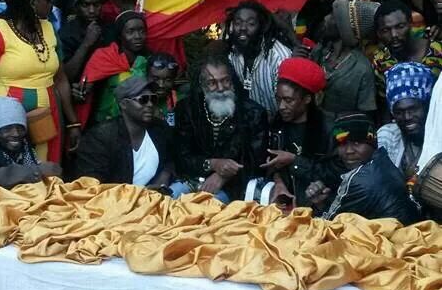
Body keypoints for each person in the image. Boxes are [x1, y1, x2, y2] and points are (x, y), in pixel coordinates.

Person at [0, 0, 79, 162]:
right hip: (8, 120)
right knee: (14, 176)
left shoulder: (48, 28)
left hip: (49, 116)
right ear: (31, 3)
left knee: (48, 171)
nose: (52, 2)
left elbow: (61, 80)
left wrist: (73, 123)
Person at [171, 54, 268, 202]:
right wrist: (212, 164)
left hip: (234, 186)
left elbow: (256, 162)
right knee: (167, 198)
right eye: (212, 83)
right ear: (202, 85)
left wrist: (223, 176)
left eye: (225, 81)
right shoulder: (187, 109)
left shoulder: (253, 113)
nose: (221, 88)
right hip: (193, 178)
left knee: (206, 209)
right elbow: (181, 156)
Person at [306, 113, 419, 225]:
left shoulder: (361, 180)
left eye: (357, 143)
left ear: (372, 144)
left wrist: (319, 205)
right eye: (342, 144)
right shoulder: (383, 162)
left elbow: (328, 226)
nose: (349, 151)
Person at [259, 56, 339, 204]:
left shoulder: (329, 128)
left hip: (318, 208)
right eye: (278, 99)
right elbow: (267, 164)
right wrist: (279, 183)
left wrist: (294, 160)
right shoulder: (275, 125)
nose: (281, 106)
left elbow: (335, 173)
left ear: (307, 99)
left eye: (288, 100)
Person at [75, 76, 173, 189]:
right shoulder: (99, 138)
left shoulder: (159, 128)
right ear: (124, 104)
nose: (150, 104)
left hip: (155, 199)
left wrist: (165, 174)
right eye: (143, 100)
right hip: (113, 203)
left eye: (153, 99)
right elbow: (91, 187)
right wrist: (141, 193)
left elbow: (170, 159)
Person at [75, 10, 148, 127]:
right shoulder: (104, 56)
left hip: (139, 124)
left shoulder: (150, 60)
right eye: (131, 31)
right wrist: (81, 93)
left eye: (142, 31)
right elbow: (85, 90)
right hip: (105, 124)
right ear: (120, 35)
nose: (138, 36)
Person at [225, 0, 292, 115]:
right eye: (237, 23)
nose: (242, 28)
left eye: (251, 24)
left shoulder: (279, 58)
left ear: (262, 27)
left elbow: (289, 105)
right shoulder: (232, 53)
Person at [314, 0, 378, 120]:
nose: (326, 18)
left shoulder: (362, 68)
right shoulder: (320, 52)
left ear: (343, 28)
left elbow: (366, 114)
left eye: (333, 17)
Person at [371, 0, 442, 101]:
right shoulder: (381, 62)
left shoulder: (438, 51)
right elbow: (384, 103)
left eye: (400, 27)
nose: (394, 35)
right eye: (385, 30)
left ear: (410, 23)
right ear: (378, 33)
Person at [376, 62, 434, 181]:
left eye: (413, 109)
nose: (407, 117)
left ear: (427, 106)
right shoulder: (388, 135)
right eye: (399, 112)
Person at [60, 0, 106, 82]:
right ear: (76, 6)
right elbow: (66, 76)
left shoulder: (109, 29)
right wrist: (86, 44)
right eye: (86, 5)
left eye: (96, 5)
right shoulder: (67, 33)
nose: (92, 10)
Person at [147, 51, 180, 126]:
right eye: (155, 79)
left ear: (174, 80)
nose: (161, 85)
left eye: (168, 80)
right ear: (146, 78)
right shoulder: (137, 103)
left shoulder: (182, 102)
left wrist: (162, 120)